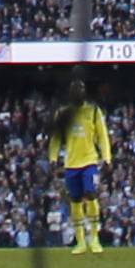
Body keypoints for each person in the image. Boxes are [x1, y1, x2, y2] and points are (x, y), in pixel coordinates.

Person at [48, 79, 112, 255]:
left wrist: (106, 158)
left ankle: (95, 238)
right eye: (75, 90)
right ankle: (81, 241)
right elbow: (55, 138)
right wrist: (53, 158)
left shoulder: (93, 112)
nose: (78, 93)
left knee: (91, 193)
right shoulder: (63, 113)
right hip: (71, 164)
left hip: (90, 161)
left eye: (81, 90)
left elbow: (103, 136)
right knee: (75, 200)